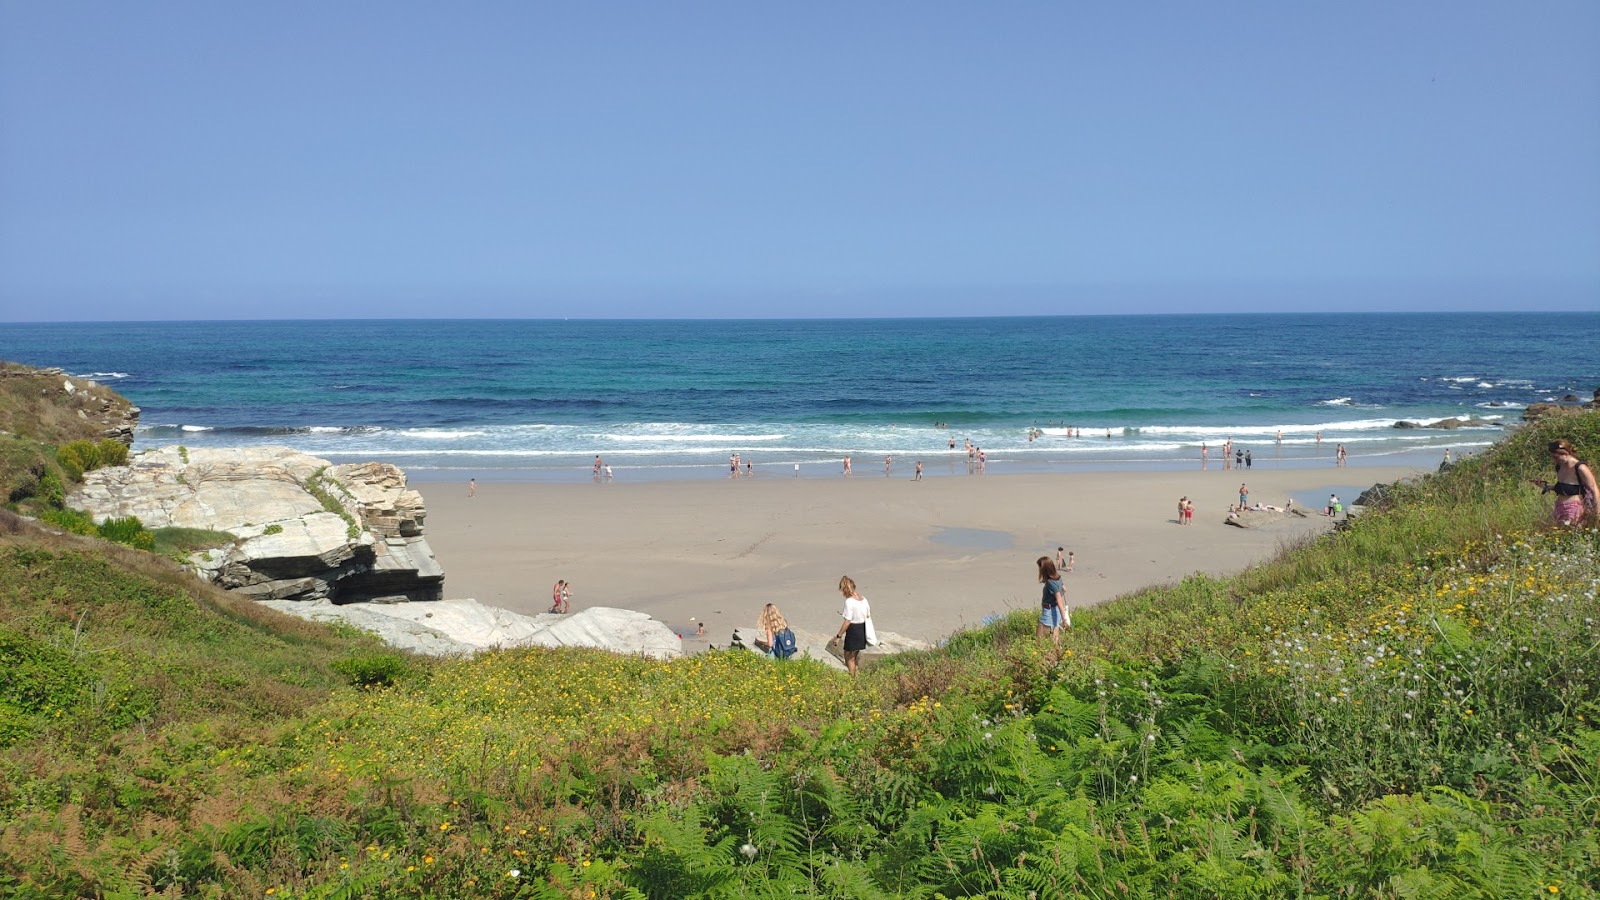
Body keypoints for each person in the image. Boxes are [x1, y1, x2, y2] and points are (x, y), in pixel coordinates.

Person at [1533, 439, 1599, 526]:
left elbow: (1594, 489)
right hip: (1559, 507)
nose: (1554, 460)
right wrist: (1547, 486)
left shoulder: (1580, 467)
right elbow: (1565, 487)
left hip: (1575, 508)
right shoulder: (1559, 466)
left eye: (1556, 457)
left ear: (1565, 453)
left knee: (1572, 534)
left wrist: (1597, 513)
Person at [831, 576, 871, 676]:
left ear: (845, 589)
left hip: (853, 630)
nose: (842, 593)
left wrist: (838, 636)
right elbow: (866, 614)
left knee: (848, 656)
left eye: (842, 590)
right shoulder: (863, 599)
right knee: (854, 656)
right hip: (862, 628)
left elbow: (847, 621)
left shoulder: (849, 602)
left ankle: (852, 679)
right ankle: (856, 675)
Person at [1036, 556, 1068, 646]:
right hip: (1056, 611)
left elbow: (1060, 601)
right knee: (1055, 639)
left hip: (1049, 612)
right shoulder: (1058, 578)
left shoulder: (1050, 583)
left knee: (1039, 640)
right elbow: (1064, 589)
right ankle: (1058, 655)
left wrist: (1064, 619)